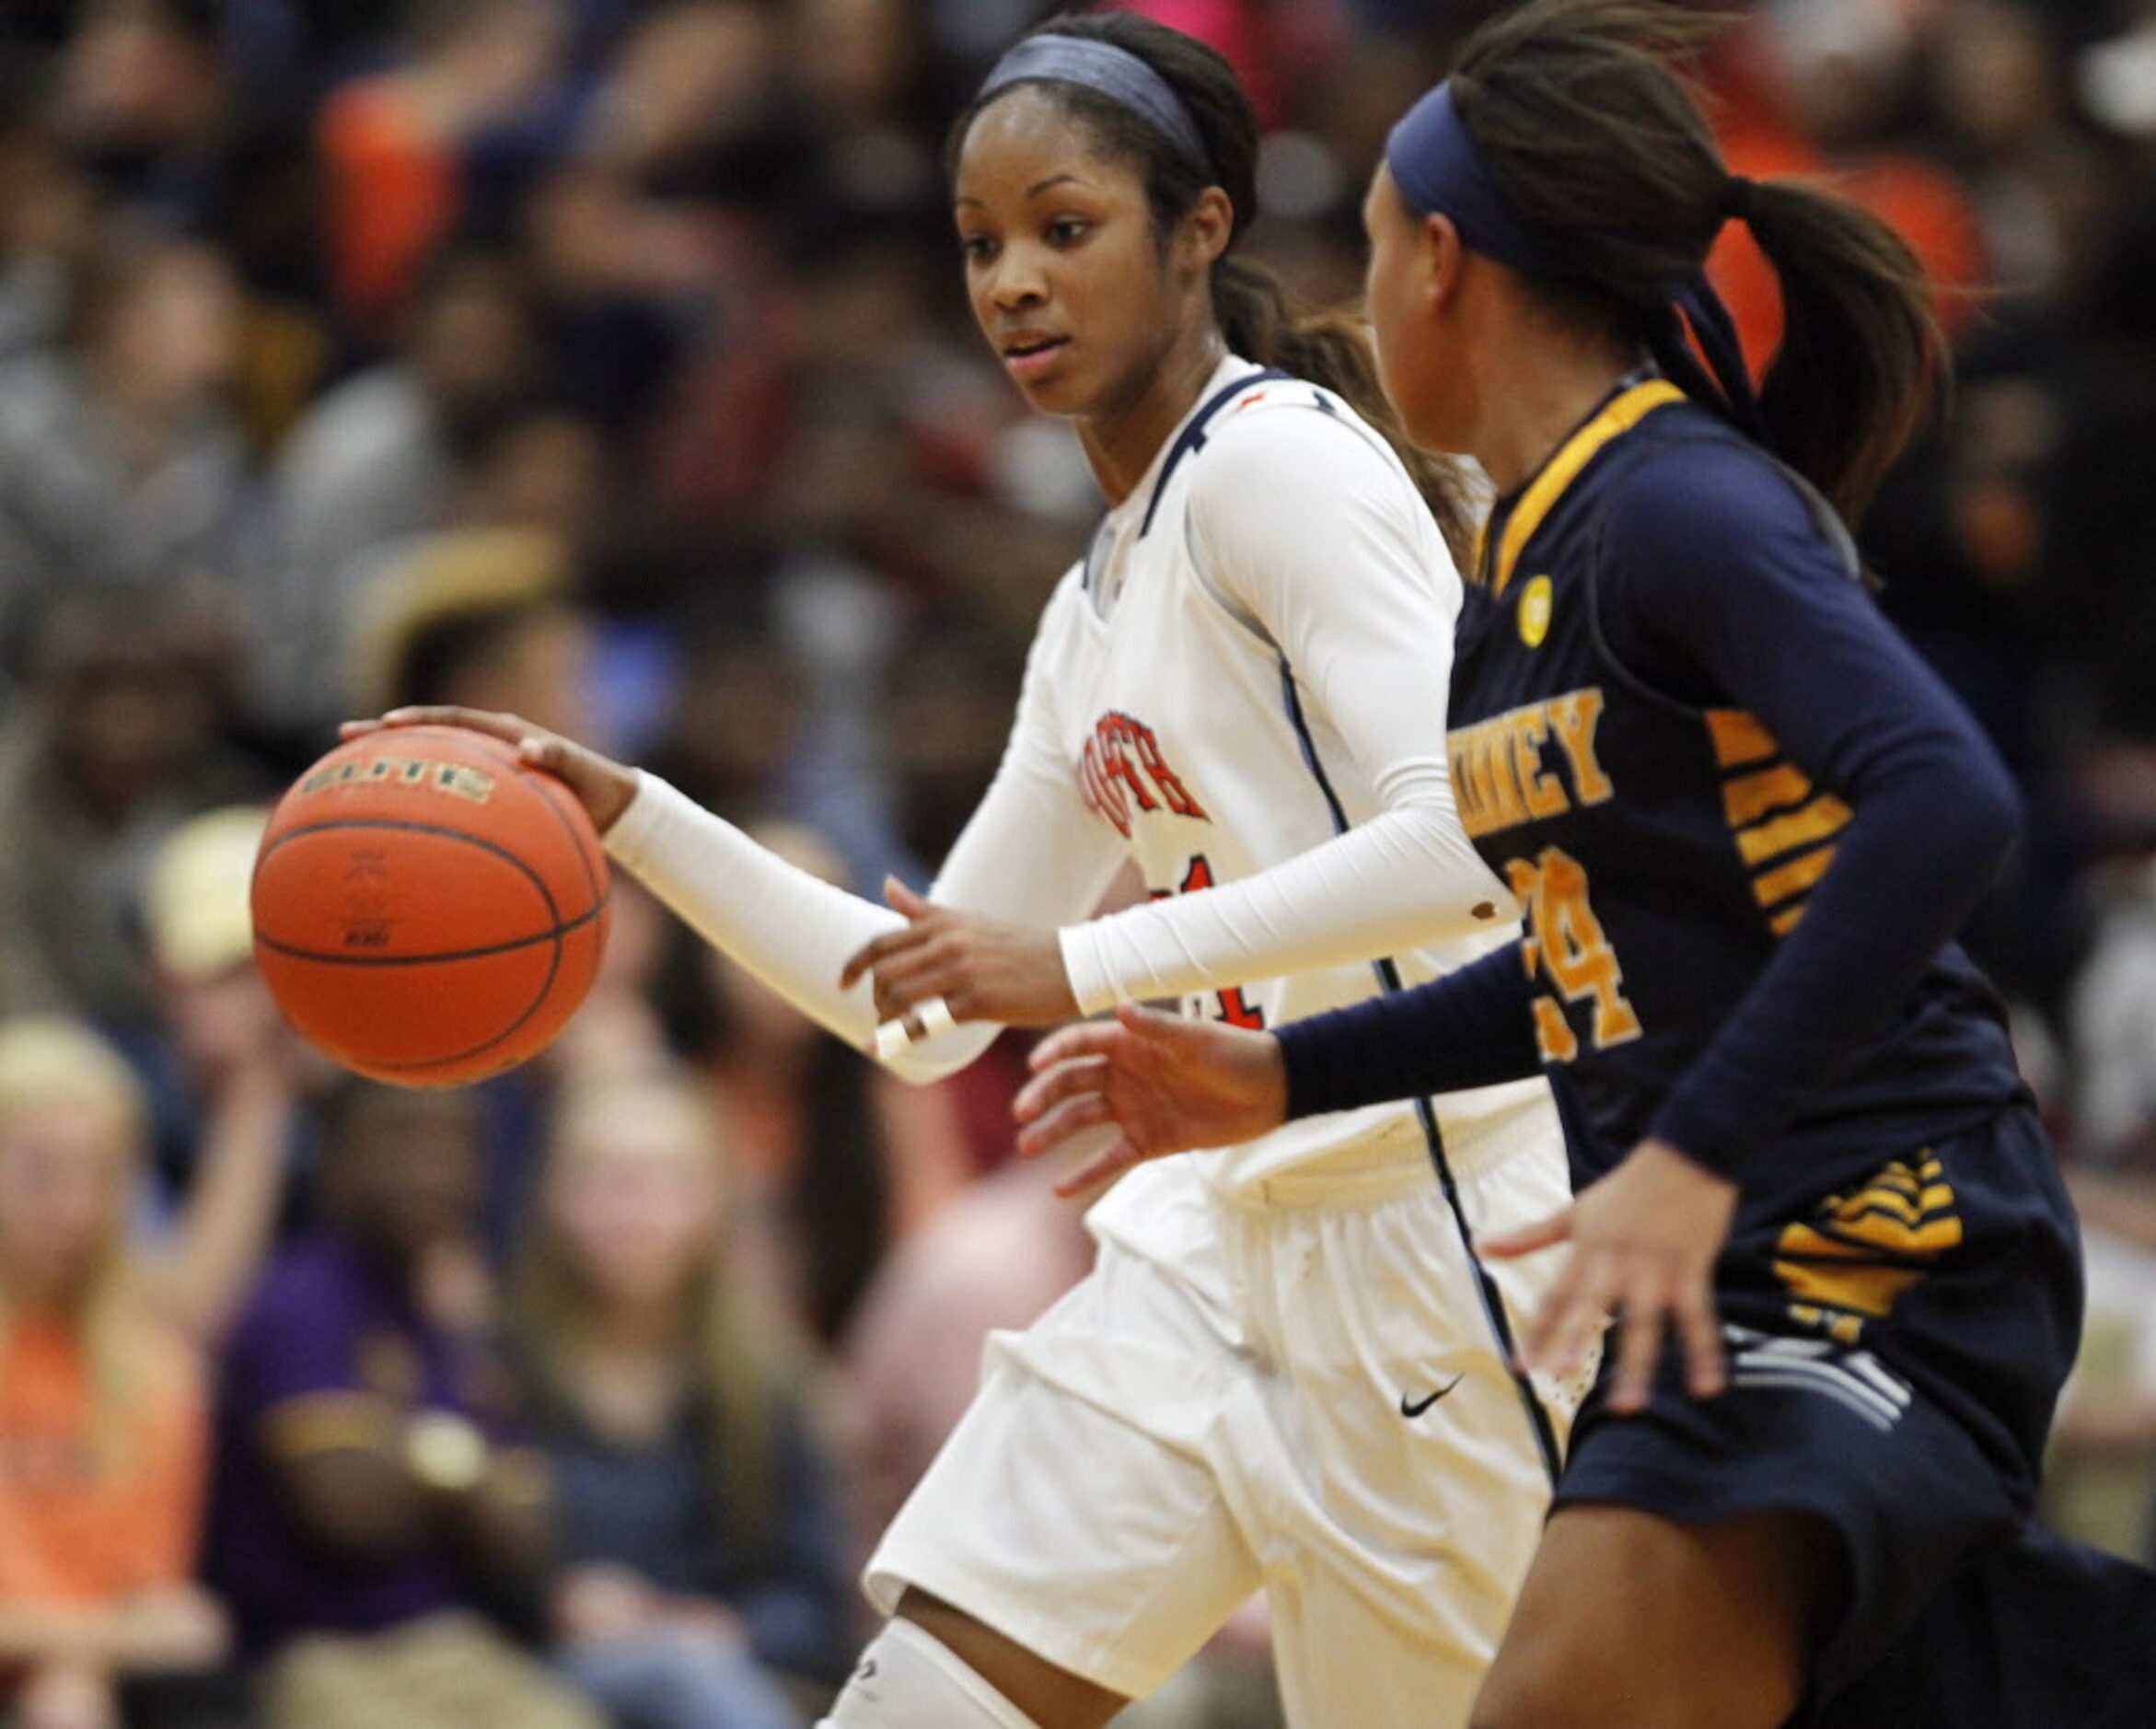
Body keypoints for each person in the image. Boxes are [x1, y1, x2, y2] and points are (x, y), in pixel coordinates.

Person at [351, 12, 1581, 1726]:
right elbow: (916, 1006)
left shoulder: (1280, 463)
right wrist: (629, 813)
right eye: (981, 244)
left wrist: (1074, 970)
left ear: (1197, 229)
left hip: (1439, 1238)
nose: (1010, 281)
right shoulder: (1090, 601)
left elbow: (1469, 847)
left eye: (1062, 230)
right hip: (1211, 1246)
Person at [1014, 4, 2156, 1724]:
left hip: (1870, 1224)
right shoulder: (1520, 566)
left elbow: (1943, 799)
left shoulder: (1680, 503)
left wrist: (1695, 1153)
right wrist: (1287, 1072)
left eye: (1377, 246)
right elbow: (1590, 961)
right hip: (1714, 1251)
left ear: (1445, 264)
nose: (1363, 288)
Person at [201, 1079, 602, 1729]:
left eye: (455, 1142)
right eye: (401, 1136)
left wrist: (414, 1457)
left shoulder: (450, 1326)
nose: (431, 1169)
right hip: (314, 1657)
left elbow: (527, 1537)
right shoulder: (299, 1306)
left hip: (462, 1650)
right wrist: (464, 1472)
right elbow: (346, 1514)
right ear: (335, 1153)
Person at [508, 1072, 848, 1729]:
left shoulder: (769, 1381)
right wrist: (554, 1599)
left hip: (728, 1679)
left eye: (660, 1180)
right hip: (538, 1681)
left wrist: (724, 1628)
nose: (628, 1208)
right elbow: (448, 1574)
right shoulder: (495, 1366)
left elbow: (817, 1603)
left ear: (713, 1204)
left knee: (684, 1671)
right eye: (602, 1177)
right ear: (550, 1194)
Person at [0, 1017, 232, 1729]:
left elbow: (154, 1595)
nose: (72, 1208)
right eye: (40, 1171)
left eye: (99, 1175)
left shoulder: (155, 1373)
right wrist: (82, 1650)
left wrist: (73, 1660)